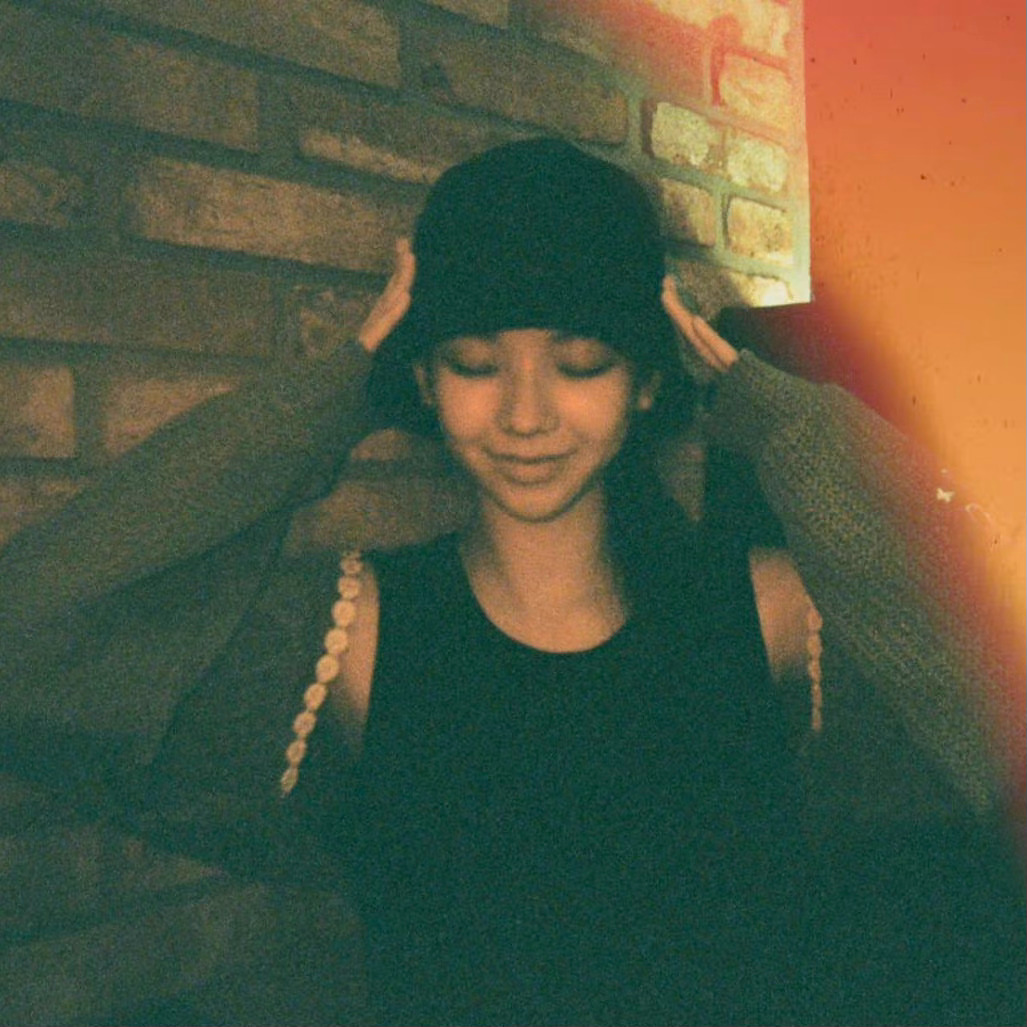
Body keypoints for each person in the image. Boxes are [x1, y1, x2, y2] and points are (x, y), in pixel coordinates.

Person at [0, 139, 1020, 1025]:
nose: (525, 415)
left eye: (579, 362)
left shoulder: (771, 610)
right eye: (474, 363)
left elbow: (994, 671)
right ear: (422, 378)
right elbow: (28, 632)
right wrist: (336, 387)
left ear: (646, 380)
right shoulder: (354, 632)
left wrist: (781, 418)